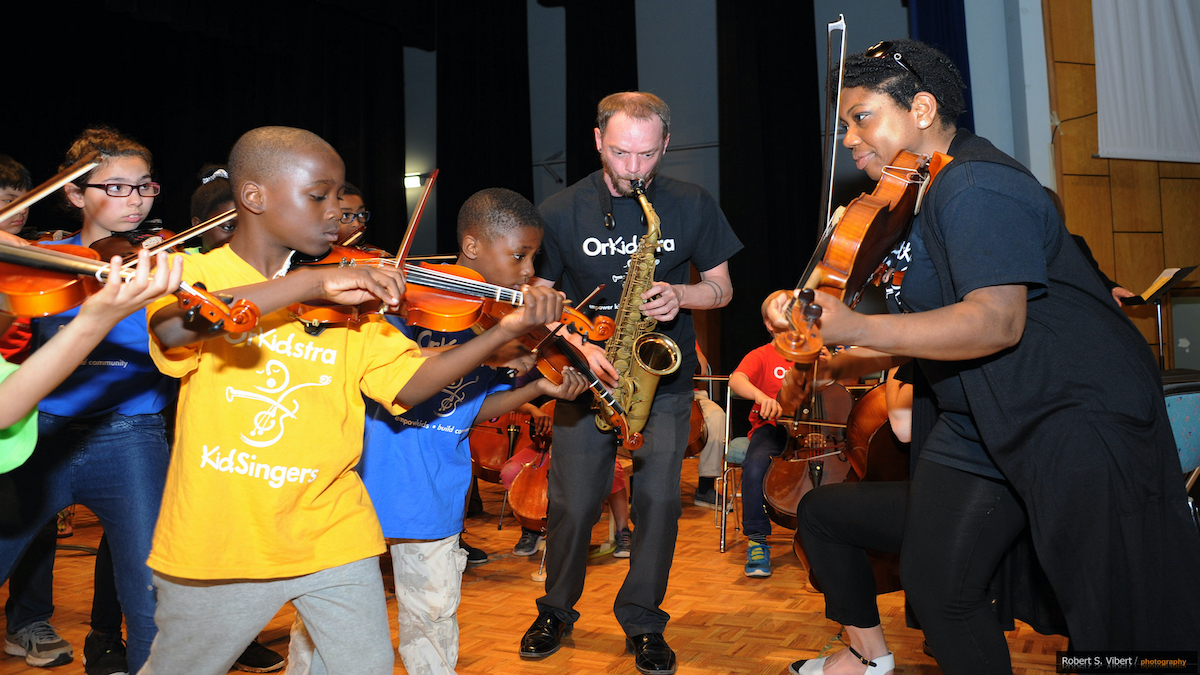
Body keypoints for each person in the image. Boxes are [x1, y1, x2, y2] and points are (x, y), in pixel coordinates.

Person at [768, 39, 1200, 675]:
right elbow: (921, 327)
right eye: (844, 124)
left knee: (1109, 618)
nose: (850, 139)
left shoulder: (976, 183)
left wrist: (854, 324)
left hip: (1072, 412)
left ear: (920, 108)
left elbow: (996, 322)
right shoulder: (917, 198)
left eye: (861, 117)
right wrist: (831, 354)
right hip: (984, 417)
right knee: (939, 585)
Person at [138, 126, 567, 675]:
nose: (336, 210)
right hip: (224, 537)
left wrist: (496, 333)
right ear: (254, 197)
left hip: (333, 528)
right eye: (319, 195)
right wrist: (312, 285)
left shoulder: (354, 302)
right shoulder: (198, 274)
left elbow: (411, 386)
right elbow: (177, 328)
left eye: (339, 196)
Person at [521, 91, 742, 675]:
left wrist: (683, 295)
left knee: (661, 502)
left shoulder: (691, 203)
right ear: (598, 141)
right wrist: (583, 345)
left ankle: (643, 619)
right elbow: (539, 303)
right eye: (621, 153)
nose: (634, 168)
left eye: (647, 155)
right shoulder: (560, 210)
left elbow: (722, 289)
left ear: (665, 145)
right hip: (587, 375)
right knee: (571, 504)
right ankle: (556, 609)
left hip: (660, 380)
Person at [0, 128, 186, 674]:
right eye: (116, 188)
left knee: (150, 592)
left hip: (131, 435)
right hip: (39, 432)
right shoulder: (38, 259)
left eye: (144, 187)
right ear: (75, 195)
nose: (135, 200)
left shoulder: (175, 261)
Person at [727, 291, 793, 578]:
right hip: (772, 429)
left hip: (815, 431)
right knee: (753, 468)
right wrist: (761, 397)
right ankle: (757, 540)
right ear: (769, 323)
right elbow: (736, 380)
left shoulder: (818, 354)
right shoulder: (762, 355)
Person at [184, 165, 238, 254]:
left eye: (246, 228)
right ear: (198, 226)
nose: (240, 237)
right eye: (229, 227)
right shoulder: (182, 262)